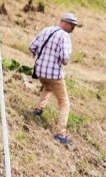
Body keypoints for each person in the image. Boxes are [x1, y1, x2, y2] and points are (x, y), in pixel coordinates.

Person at [29, 12, 80, 147]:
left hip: (40, 71)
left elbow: (32, 47)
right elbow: (65, 59)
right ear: (67, 24)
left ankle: (38, 109)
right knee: (65, 104)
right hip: (53, 74)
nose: (73, 29)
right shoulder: (65, 36)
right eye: (73, 26)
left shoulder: (46, 30)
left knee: (48, 87)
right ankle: (60, 133)